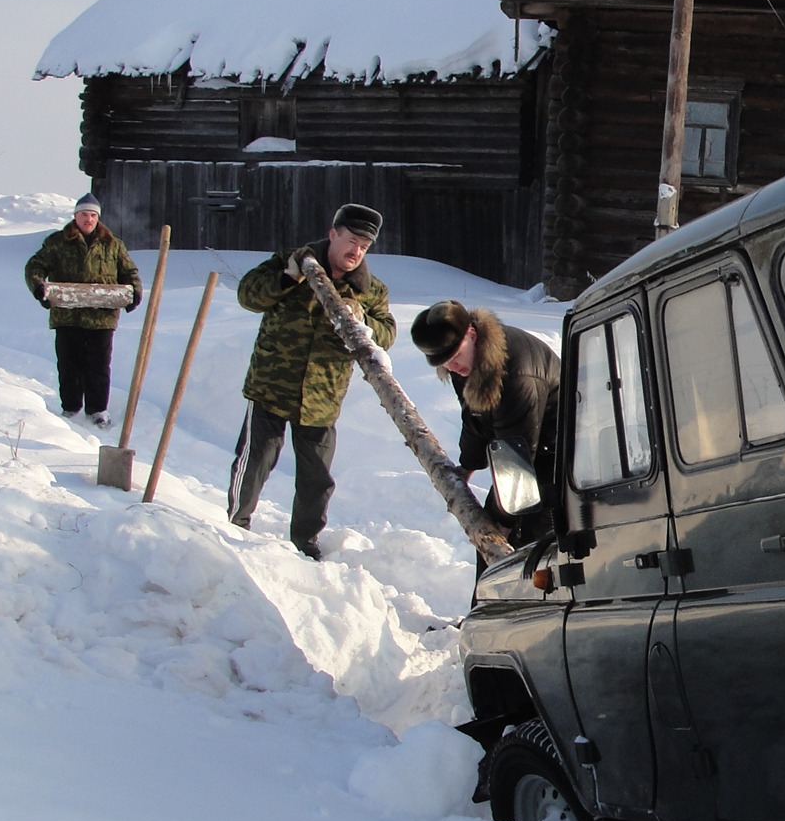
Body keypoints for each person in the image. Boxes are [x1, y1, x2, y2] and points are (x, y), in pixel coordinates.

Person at [228, 203, 395, 561]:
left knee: (316, 478)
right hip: (272, 386)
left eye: (364, 247)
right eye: (351, 241)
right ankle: (235, 526)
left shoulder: (370, 290)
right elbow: (247, 295)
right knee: (255, 460)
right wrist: (286, 279)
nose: (356, 252)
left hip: (323, 396)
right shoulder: (293, 262)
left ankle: (305, 542)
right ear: (333, 234)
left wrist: (362, 318)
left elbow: (386, 332)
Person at [409, 300, 560, 571]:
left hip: (559, 458)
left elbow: (518, 457)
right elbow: (475, 418)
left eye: (455, 357)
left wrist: (506, 516)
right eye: (445, 363)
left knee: (529, 546)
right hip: (523, 452)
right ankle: (484, 611)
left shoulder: (517, 373)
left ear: (472, 335)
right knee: (492, 540)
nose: (453, 367)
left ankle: (525, 611)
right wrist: (468, 464)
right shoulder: (465, 362)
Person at [23, 193, 142, 426]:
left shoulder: (112, 244)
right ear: (75, 216)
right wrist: (39, 288)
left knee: (99, 365)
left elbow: (129, 272)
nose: (88, 219)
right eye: (84, 214)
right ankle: (71, 409)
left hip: (102, 317)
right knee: (69, 364)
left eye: (93, 215)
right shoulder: (57, 242)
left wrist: (134, 292)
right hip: (68, 315)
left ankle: (98, 411)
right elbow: (35, 266)